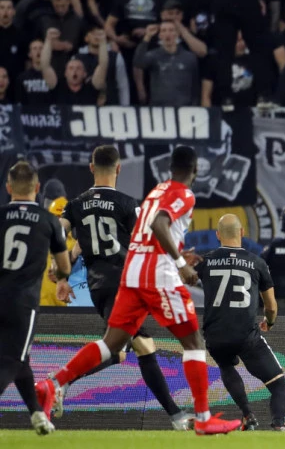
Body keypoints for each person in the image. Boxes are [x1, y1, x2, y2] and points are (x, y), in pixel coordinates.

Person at [35, 146, 242, 435]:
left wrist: (60, 270)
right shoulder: (184, 194)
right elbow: (159, 224)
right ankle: (203, 418)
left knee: (112, 344)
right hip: (156, 275)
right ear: (195, 171)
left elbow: (145, 232)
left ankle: (53, 382)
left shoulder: (156, 192)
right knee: (194, 342)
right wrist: (181, 264)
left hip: (131, 273)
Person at [51, 145, 194, 429]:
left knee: (131, 349)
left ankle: (176, 416)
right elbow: (149, 238)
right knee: (129, 347)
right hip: (124, 283)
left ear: (91, 168)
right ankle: (58, 382)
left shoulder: (76, 204)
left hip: (98, 286)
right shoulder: (128, 204)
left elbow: (59, 232)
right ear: (118, 168)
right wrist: (177, 262)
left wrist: (62, 274)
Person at [197, 214, 285, 431]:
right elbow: (271, 306)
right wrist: (269, 322)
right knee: (278, 385)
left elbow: (181, 280)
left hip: (215, 334)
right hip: (246, 335)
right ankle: (278, 425)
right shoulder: (257, 263)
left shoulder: (204, 262)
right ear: (242, 233)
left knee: (225, 365)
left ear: (218, 235)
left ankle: (248, 415)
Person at [0, 161, 70, 435]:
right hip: (23, 303)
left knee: (22, 359)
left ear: (8, 188)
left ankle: (37, 414)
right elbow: (64, 267)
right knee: (12, 361)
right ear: (37, 188)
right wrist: (58, 273)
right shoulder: (48, 220)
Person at [134, 22, 199, 106]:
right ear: (160, 35)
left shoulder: (189, 57)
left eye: (171, 30)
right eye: (163, 30)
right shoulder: (153, 55)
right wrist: (147, 37)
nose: (167, 34)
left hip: (184, 107)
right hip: (159, 107)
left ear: (178, 34)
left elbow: (195, 85)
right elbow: (138, 63)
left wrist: (195, 105)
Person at [40, 27, 107, 105]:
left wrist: (102, 41)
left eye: (78, 68)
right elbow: (45, 65)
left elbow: (103, 65)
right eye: (71, 68)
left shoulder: (91, 88)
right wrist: (48, 40)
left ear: (84, 74)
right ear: (65, 73)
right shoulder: (58, 87)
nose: (75, 71)